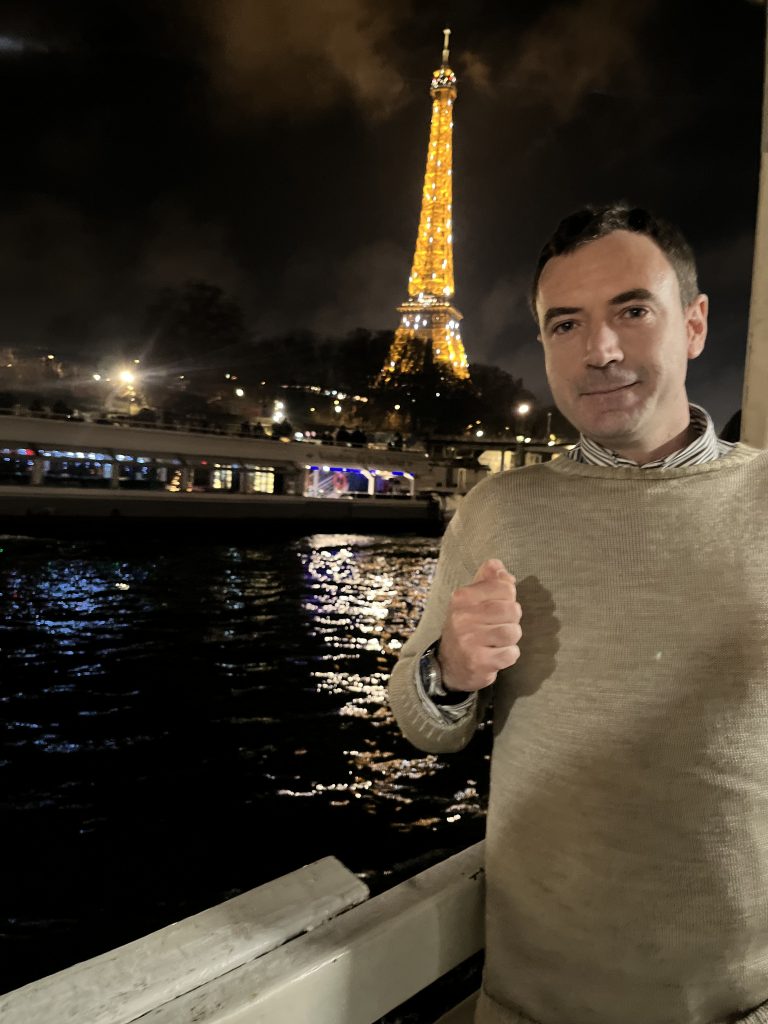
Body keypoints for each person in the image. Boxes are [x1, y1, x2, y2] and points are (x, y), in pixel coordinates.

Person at [388, 202, 768, 1024]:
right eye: (566, 324)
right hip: (532, 1005)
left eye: (633, 310)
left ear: (695, 325)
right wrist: (450, 668)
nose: (599, 350)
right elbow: (422, 722)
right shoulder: (497, 510)